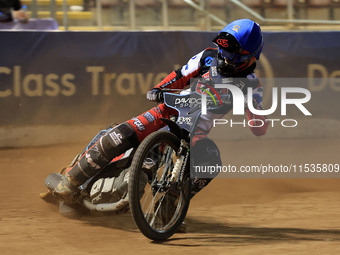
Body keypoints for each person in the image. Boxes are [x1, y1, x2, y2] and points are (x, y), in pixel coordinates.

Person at [54, 18, 269, 204]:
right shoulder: (208, 57)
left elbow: (257, 121)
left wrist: (257, 120)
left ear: (252, 57)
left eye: (235, 56)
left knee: (210, 163)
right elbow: (181, 75)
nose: (228, 59)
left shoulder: (252, 85)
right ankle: (71, 181)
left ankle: (170, 207)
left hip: (194, 133)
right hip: (166, 112)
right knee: (123, 134)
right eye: (225, 52)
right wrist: (159, 89)